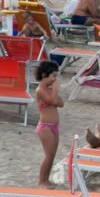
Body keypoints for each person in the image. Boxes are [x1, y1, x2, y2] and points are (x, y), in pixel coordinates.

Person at [33, 60, 63, 189]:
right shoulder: (40, 90)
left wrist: (54, 93)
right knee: (48, 155)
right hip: (45, 127)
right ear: (44, 75)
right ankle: (41, 181)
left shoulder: (50, 90)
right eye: (53, 76)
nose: (55, 80)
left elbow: (61, 103)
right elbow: (52, 101)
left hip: (54, 127)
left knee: (52, 155)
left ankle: (46, 179)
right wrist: (55, 91)